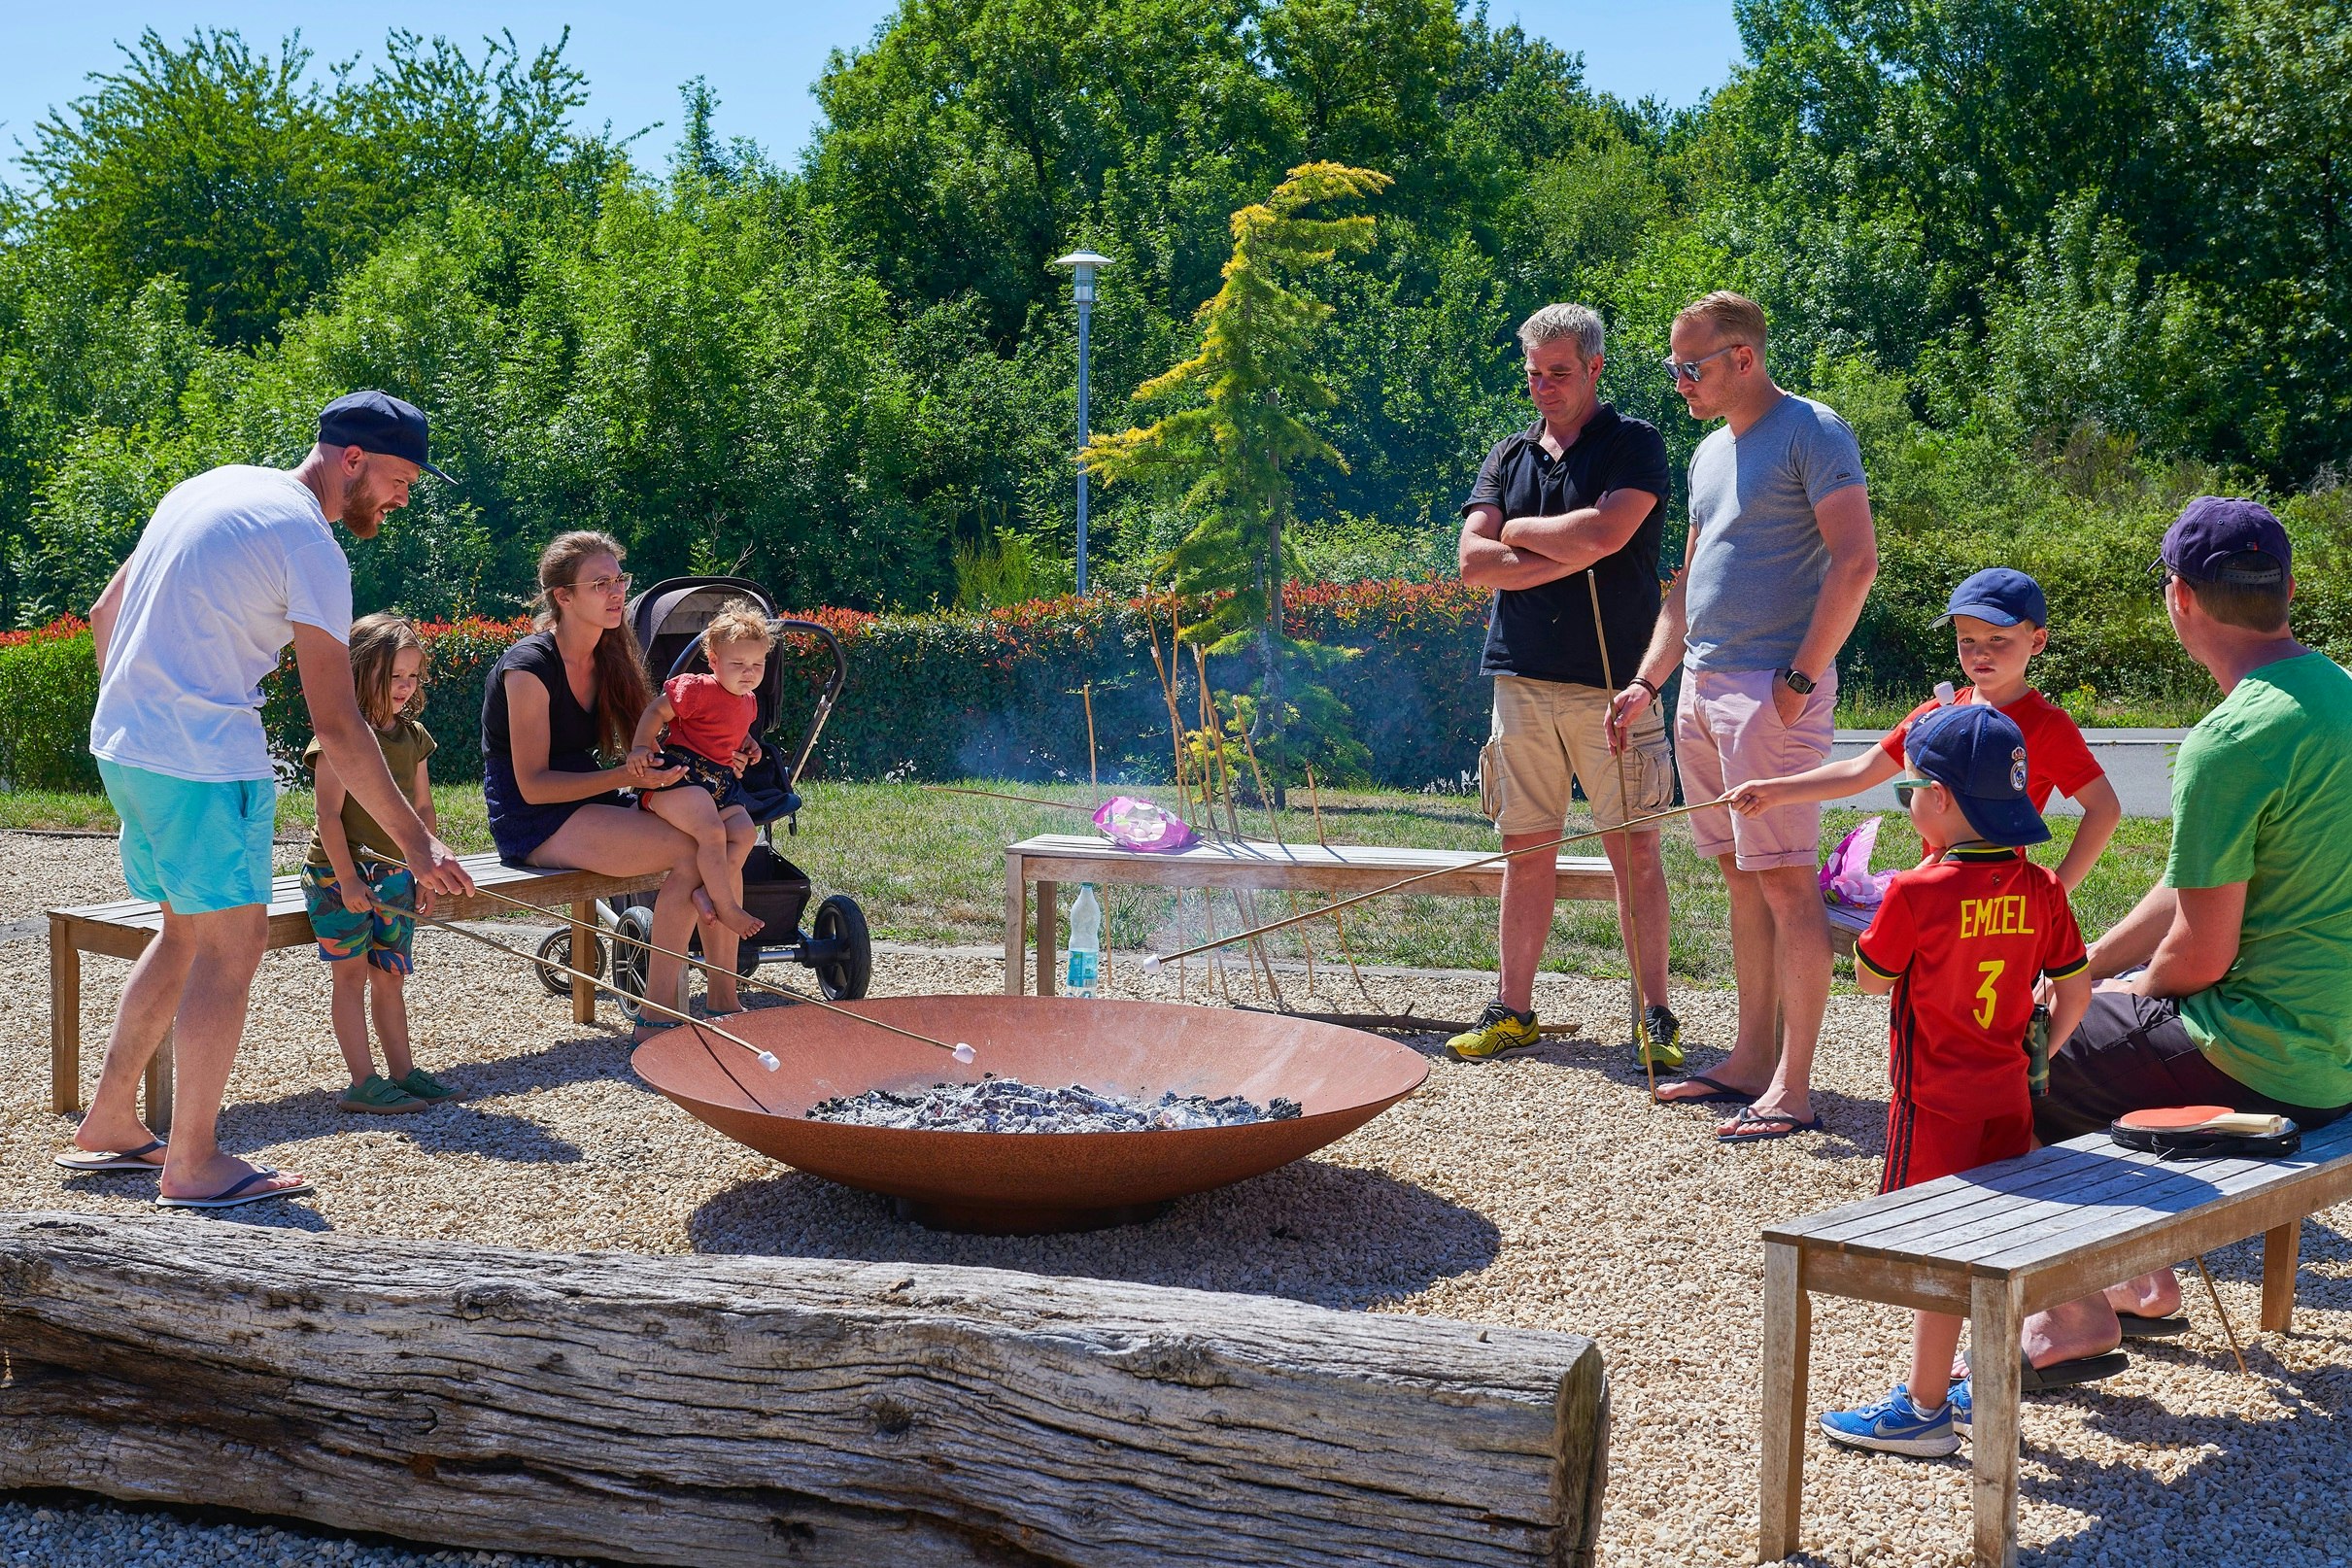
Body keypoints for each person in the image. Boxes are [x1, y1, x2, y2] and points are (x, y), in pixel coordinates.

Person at [58, 392, 474, 1210]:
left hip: (129, 748)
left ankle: (110, 1124)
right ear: (349, 459)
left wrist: (145, 712)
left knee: (186, 932)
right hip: (205, 761)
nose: (402, 497)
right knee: (230, 948)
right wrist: (420, 848)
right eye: (397, 478)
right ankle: (192, 1163)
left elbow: (108, 612)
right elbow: (340, 725)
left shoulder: (211, 486)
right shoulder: (309, 545)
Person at [2017, 497, 2352, 1374]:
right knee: (2071, 1013)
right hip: (2337, 1047)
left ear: (2179, 599)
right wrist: (2083, 969)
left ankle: (2073, 1312)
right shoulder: (2336, 695)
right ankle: (2140, 1283)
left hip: (2264, 1058)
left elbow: (2198, 956)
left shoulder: (2232, 737)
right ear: (2282, 590)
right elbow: (2187, 885)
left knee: (1997, 1048)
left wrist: (2120, 992)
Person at [1605, 291, 1879, 1142]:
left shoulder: (1812, 431)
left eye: (1691, 366)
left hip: (1770, 692)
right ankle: (1748, 1063)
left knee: (1789, 886)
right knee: (1740, 879)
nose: (1679, 381)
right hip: (1701, 686)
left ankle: (1792, 1092)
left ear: (1742, 358)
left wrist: (1797, 680)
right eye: (1671, 367)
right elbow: (1687, 583)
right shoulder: (1704, 456)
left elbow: (1857, 562)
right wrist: (1650, 681)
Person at [1814, 703, 2092, 1455]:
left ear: (1936, 798)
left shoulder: (1914, 891)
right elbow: (2076, 991)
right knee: (1995, 1242)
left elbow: (1874, 980)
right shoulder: (2040, 888)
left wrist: (1849, 914)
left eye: (1907, 794)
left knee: (1937, 1256)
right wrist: (2038, 1059)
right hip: (2006, 1095)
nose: (1905, 808)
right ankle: (1983, 1378)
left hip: (1930, 1103)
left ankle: (1923, 1408)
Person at [1449, 303, 1681, 1065]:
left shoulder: (1634, 443)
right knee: (1525, 847)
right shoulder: (1507, 453)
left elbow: (1609, 535)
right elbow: (1470, 564)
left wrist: (1514, 532)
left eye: (1558, 372)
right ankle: (1512, 1009)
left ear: (1593, 368)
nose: (1543, 387)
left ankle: (1655, 1016)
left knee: (1634, 849)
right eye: (1532, 373)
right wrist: (1563, 544)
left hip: (1614, 682)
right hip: (1518, 677)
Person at [481, 531, 741, 1032]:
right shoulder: (527, 669)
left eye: (619, 579)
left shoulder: (610, 655)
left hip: (594, 797)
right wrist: (627, 774)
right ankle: (658, 1014)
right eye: (600, 583)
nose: (617, 592)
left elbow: (655, 738)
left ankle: (724, 1001)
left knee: (727, 831)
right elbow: (532, 786)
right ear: (563, 596)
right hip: (534, 818)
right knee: (691, 851)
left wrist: (730, 748)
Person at [1728, 567, 2124, 892]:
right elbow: (1860, 771)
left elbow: (2104, 809)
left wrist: (2055, 889)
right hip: (1934, 888)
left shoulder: (2047, 725)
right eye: (1966, 639)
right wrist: (1774, 790)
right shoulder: (1937, 712)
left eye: (1997, 638)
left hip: (2001, 898)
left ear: (2036, 640)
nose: (1979, 652)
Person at [302, 613, 463, 1114]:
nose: (405, 686)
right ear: (362, 670)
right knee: (349, 976)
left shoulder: (413, 736)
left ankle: (404, 1072)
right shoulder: (339, 735)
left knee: (390, 975)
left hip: (396, 872)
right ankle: (362, 1081)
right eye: (395, 675)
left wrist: (425, 872)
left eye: (413, 676)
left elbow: (423, 809)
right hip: (338, 876)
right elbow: (326, 815)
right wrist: (347, 879)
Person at [629, 598, 771, 951]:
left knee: (744, 833)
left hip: (718, 783)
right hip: (679, 776)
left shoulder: (748, 701)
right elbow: (656, 711)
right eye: (738, 663)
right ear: (714, 662)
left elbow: (732, 730)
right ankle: (726, 907)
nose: (748, 672)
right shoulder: (698, 689)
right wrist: (641, 747)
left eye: (757, 664)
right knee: (711, 831)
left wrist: (749, 744)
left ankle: (706, 894)